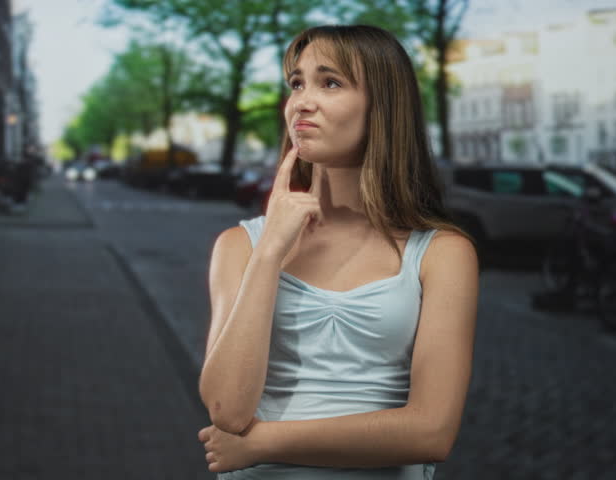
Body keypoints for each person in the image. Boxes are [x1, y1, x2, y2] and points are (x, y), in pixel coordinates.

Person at [196, 24, 479, 479]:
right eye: (296, 83)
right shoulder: (241, 245)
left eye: (330, 82)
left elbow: (432, 433)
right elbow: (227, 410)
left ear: (382, 108)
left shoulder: (442, 253)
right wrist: (270, 252)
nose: (302, 101)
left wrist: (264, 443)